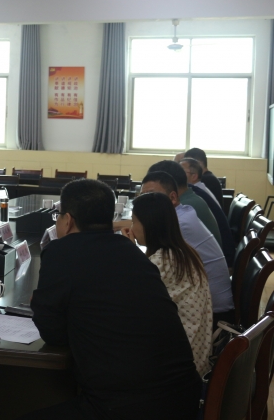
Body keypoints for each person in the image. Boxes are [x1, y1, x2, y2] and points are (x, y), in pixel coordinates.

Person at [24, 179, 201, 420]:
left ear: (68, 220)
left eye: (59, 216)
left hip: (124, 407)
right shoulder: (134, 253)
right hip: (183, 398)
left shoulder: (60, 252)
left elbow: (53, 334)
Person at [122, 192, 212, 377]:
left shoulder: (163, 260)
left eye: (134, 221)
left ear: (149, 224)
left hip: (179, 367)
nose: (132, 227)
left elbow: (130, 299)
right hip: (196, 358)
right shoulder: (182, 252)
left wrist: (131, 254)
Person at [141, 171, 234, 325]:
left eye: (152, 196)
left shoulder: (179, 224)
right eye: (142, 197)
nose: (145, 204)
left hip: (213, 316)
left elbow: (149, 269)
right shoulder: (183, 212)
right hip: (205, 305)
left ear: (173, 197)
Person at [148, 160, 222, 249]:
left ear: (168, 184)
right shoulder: (189, 196)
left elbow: (158, 242)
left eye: (151, 192)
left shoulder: (186, 206)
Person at [180, 157, 235, 265]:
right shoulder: (198, 190)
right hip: (220, 254)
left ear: (194, 176)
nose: (177, 175)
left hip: (222, 258)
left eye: (181, 171)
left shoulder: (194, 196)